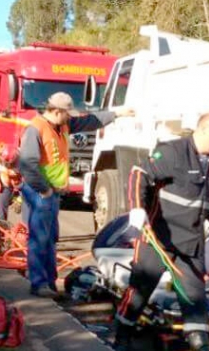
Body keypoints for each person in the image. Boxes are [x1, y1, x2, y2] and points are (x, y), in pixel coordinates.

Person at [112, 113, 209, 351]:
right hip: (158, 238)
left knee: (194, 296)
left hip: (190, 243)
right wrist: (136, 210)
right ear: (203, 130)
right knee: (141, 289)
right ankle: (122, 337)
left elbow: (208, 201)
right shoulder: (173, 152)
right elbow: (138, 175)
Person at [18, 92, 132, 298]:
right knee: (39, 239)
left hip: (50, 192)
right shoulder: (35, 129)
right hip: (39, 192)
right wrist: (44, 189)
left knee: (50, 239)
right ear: (56, 111)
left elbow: (90, 121)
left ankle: (49, 283)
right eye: (67, 114)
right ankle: (39, 283)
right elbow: (27, 164)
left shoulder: (62, 126)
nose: (70, 118)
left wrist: (117, 113)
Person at [0, 142, 22, 223]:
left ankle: (31, 230)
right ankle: (2, 225)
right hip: (6, 179)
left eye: (10, 163)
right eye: (6, 162)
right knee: (1, 202)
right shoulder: (0, 152)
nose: (7, 164)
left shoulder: (23, 160)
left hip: (21, 181)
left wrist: (20, 199)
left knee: (28, 203)